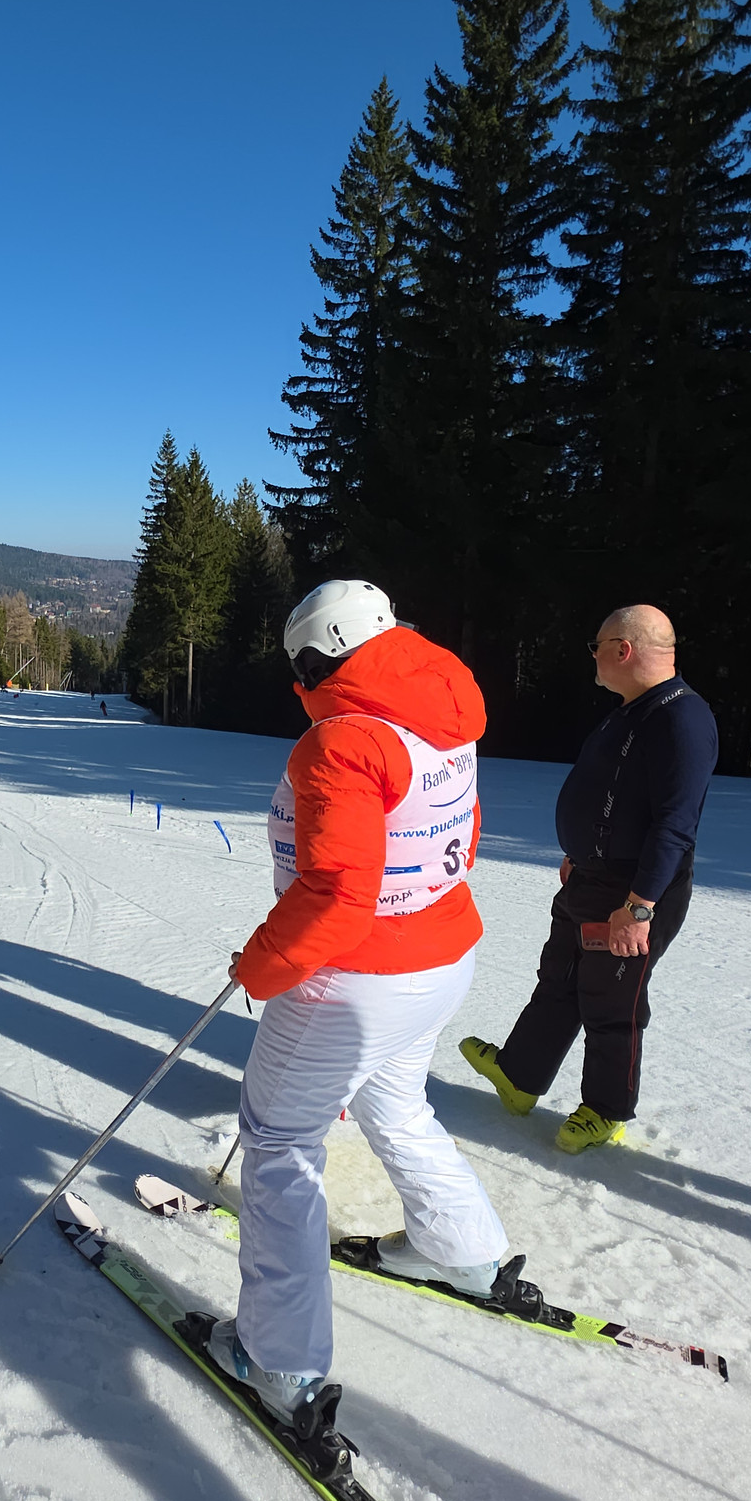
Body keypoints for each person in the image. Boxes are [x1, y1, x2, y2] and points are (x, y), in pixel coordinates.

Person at [208, 579, 525, 1433]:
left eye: (297, 670)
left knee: (278, 1140)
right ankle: (461, 1249)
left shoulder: (342, 741)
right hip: (440, 954)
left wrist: (262, 965)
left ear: (316, 661)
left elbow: (340, 895)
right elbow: (462, 821)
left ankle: (278, 1359)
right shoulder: (437, 700)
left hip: (353, 977)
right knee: (392, 1098)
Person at [461, 605, 718, 1154]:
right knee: (560, 976)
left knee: (611, 999)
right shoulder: (630, 710)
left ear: (623, 649)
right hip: (592, 877)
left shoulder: (683, 719)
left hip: (634, 891)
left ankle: (606, 1110)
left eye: (597, 644)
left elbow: (675, 824)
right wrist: (582, 852)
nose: (593, 655)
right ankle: (519, 1074)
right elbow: (615, 797)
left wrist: (641, 905)